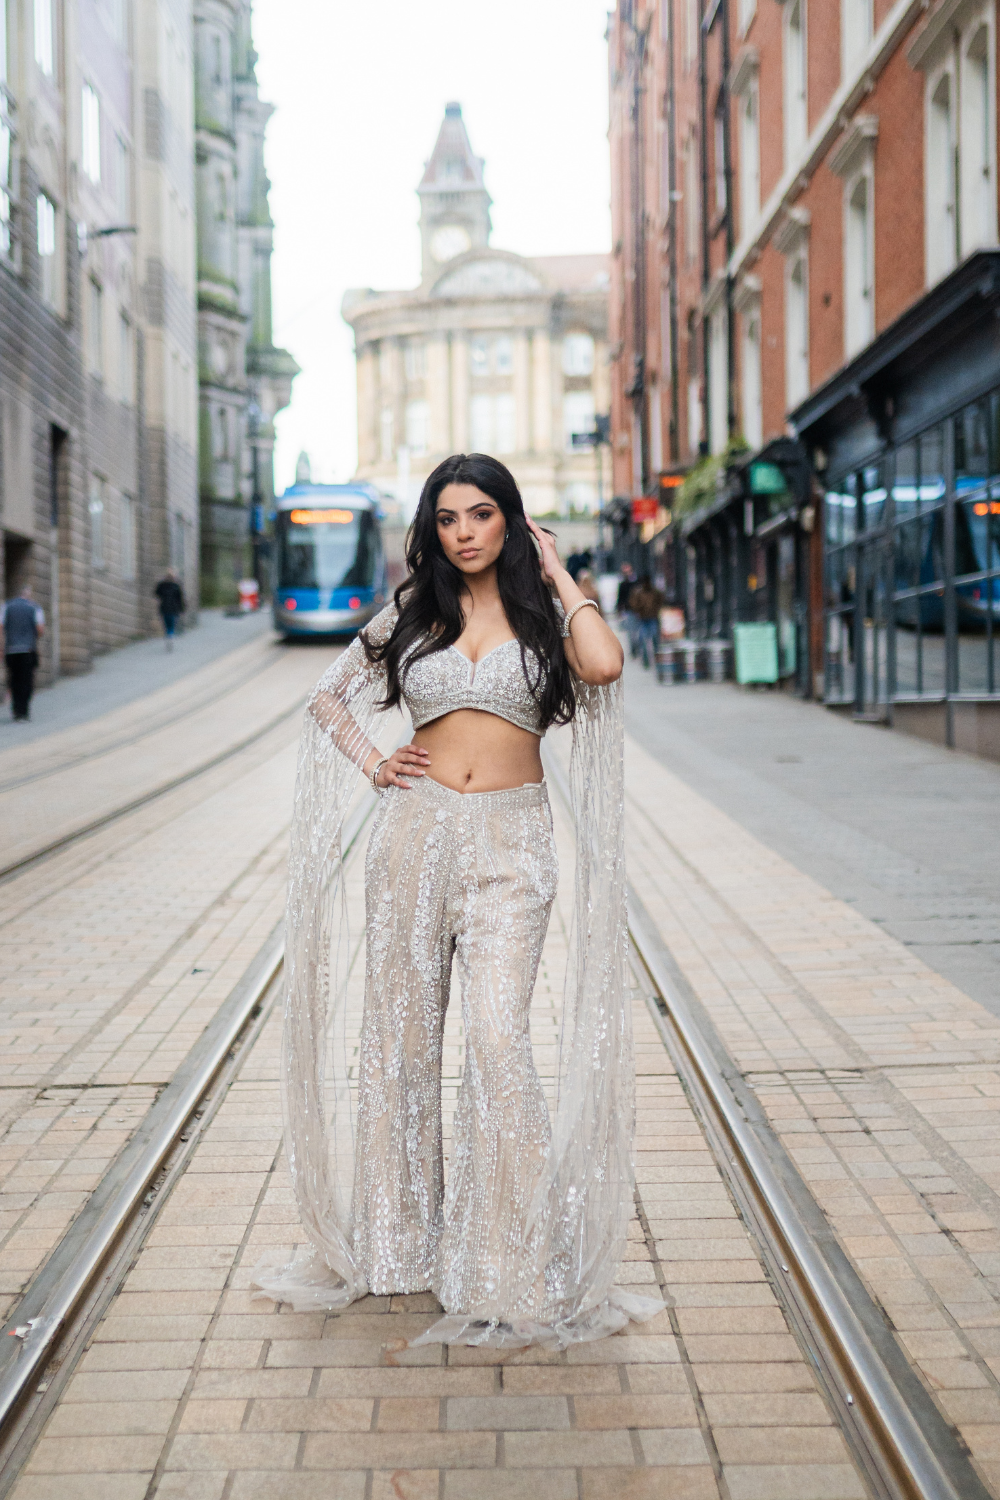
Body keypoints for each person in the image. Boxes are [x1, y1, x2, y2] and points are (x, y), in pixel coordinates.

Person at [253, 453, 662, 1349]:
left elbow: (604, 665)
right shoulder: (416, 611)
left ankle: (512, 1257)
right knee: (399, 1039)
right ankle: (397, 1248)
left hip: (513, 847)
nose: (464, 532)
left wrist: (559, 571)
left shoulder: (545, 610)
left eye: (481, 514)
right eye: (447, 518)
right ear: (431, 530)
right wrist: (375, 763)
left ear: (511, 521)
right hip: (414, 836)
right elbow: (328, 697)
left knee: (497, 1038)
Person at [2, 586, 44, 722]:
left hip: (11, 649)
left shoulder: (6, 607)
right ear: (28, 594)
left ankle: (16, 710)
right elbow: (40, 629)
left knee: (14, 679)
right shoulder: (35, 607)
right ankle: (23, 711)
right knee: (26, 680)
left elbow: (1, 626)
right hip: (28, 650)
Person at [629, 574, 667, 670]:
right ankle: (645, 660)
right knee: (642, 639)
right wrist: (638, 609)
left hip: (652, 618)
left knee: (655, 638)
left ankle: (657, 658)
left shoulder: (654, 592)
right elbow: (633, 603)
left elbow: (661, 599)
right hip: (643, 619)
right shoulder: (638, 592)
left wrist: (656, 609)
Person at [154, 569, 185, 650]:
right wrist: (182, 609)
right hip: (174, 609)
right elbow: (180, 599)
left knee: (166, 624)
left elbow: (156, 593)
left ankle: (168, 635)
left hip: (164, 608)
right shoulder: (176, 586)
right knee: (172, 624)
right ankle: (170, 635)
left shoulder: (161, 585)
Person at [616, 562, 639, 658]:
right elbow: (620, 598)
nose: (626, 573)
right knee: (631, 632)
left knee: (637, 631)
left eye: (628, 571)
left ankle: (637, 648)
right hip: (629, 610)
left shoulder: (636, 583)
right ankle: (634, 649)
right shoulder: (623, 584)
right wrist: (619, 609)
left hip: (638, 610)